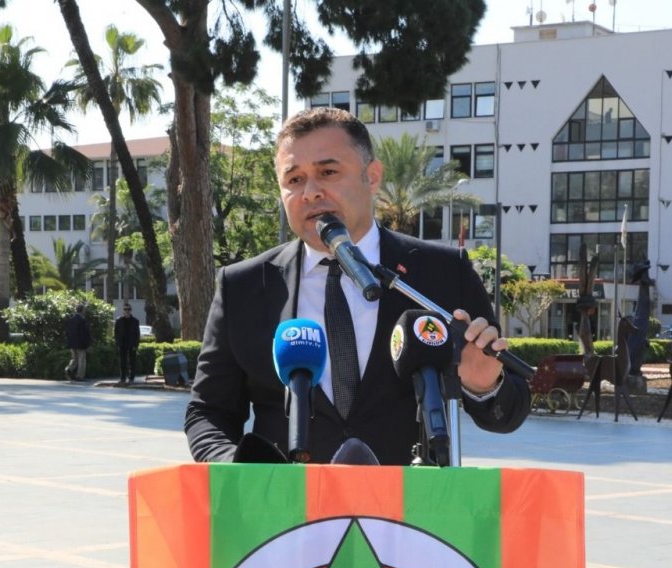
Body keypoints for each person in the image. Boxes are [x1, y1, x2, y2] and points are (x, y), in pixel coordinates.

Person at [185, 107, 531, 465]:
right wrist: (241, 475)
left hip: (409, 499)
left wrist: (484, 386)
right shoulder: (242, 286)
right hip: (286, 500)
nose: (310, 193)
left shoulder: (441, 272)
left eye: (328, 172)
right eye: (294, 179)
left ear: (373, 176)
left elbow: (509, 412)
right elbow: (208, 412)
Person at [114, 303, 140, 385]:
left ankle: (131, 378)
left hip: (132, 344)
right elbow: (116, 333)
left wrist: (136, 345)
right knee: (122, 362)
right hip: (122, 344)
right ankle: (122, 378)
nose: (127, 311)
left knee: (132, 362)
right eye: (125, 309)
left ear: (131, 310)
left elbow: (137, 334)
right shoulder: (119, 320)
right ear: (123, 310)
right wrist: (117, 343)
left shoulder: (135, 321)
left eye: (128, 309)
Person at [64, 304, 91, 382]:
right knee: (82, 359)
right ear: (82, 310)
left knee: (74, 358)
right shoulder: (82, 320)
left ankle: (69, 369)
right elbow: (84, 333)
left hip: (72, 342)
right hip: (80, 343)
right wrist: (87, 344)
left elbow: (67, 331)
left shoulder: (71, 319)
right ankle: (80, 375)